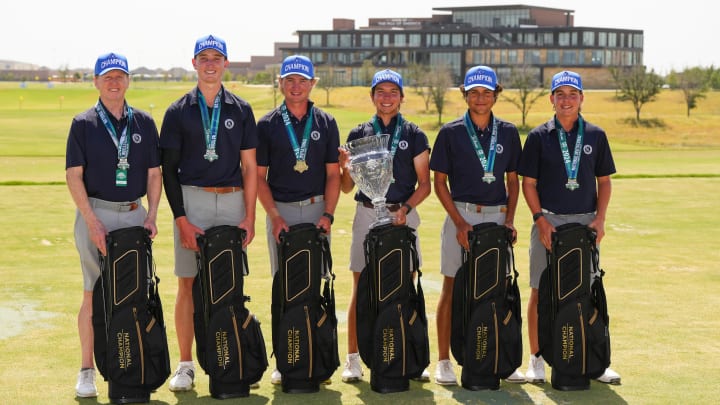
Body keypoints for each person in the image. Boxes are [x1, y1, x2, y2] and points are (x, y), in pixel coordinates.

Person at [159, 34, 258, 392]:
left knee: (230, 285)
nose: (211, 63)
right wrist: (181, 218)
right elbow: (168, 170)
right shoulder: (177, 111)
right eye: (204, 57)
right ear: (194, 63)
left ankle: (230, 358)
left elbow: (250, 168)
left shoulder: (242, 109)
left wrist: (250, 216)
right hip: (193, 200)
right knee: (187, 284)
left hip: (232, 201)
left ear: (226, 63)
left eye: (217, 57)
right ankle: (185, 365)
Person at [66, 52, 162, 398]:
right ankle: (87, 370)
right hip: (96, 213)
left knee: (134, 293)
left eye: (120, 75)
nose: (114, 81)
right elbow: (73, 175)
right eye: (107, 77)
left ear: (128, 80)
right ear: (95, 81)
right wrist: (91, 221)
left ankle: (132, 365)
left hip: (135, 214)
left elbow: (154, 173)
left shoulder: (145, 122)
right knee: (94, 291)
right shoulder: (83, 123)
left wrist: (151, 215)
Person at [518, 70, 621, 385]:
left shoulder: (595, 135)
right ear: (551, 99)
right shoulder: (538, 136)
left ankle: (594, 359)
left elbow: (604, 182)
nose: (566, 100)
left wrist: (600, 220)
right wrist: (539, 218)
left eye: (572, 94)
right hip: (548, 221)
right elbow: (529, 184)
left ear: (581, 99)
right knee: (540, 288)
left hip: (585, 223)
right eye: (559, 94)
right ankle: (536, 359)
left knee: (588, 290)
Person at [429, 65, 525, 386]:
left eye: (486, 93)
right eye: (474, 93)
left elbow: (514, 181)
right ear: (465, 94)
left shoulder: (509, 132)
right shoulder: (451, 131)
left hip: (497, 216)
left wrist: (510, 219)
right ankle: (443, 360)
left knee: (497, 291)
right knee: (452, 286)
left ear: (496, 94)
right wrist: (458, 221)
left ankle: (499, 357)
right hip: (462, 214)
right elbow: (439, 182)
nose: (480, 99)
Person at [338, 69, 431, 383]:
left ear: (402, 97)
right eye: (381, 91)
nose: (387, 97)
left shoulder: (415, 134)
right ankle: (353, 358)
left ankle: (405, 353)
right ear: (373, 96)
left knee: (405, 285)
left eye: (393, 91)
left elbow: (425, 185)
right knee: (361, 286)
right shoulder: (358, 133)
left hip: (402, 216)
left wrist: (405, 208)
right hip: (366, 214)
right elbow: (346, 188)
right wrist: (344, 168)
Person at [255, 54, 341, 385]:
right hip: (283, 213)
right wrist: (274, 216)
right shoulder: (267, 125)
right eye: (289, 80)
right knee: (284, 287)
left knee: (315, 285)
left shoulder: (326, 122)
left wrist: (329, 214)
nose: (295, 87)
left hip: (318, 209)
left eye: (302, 81)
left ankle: (315, 355)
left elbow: (334, 175)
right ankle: (287, 359)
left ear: (312, 84)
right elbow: (260, 178)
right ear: (280, 83)